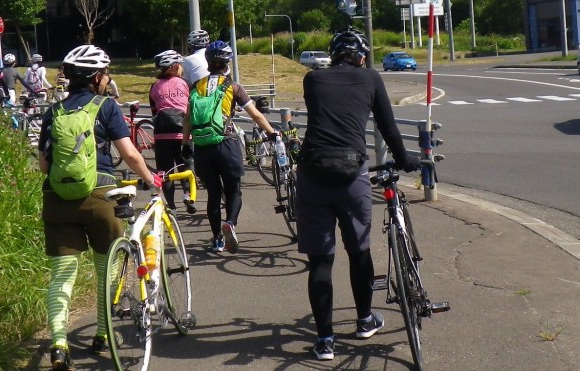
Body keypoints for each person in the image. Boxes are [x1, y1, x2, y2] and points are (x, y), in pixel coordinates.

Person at [296, 26, 421, 361]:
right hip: (352, 175)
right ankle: (365, 320)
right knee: (359, 251)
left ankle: (324, 341)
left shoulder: (313, 80)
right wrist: (406, 159)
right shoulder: (370, 78)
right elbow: (387, 126)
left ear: (333, 55)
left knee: (321, 261)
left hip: (313, 173)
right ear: (362, 56)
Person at [37, 44, 159, 370]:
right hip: (100, 195)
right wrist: (150, 178)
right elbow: (130, 154)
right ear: (96, 77)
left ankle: (60, 344)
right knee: (106, 268)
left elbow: (44, 166)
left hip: (56, 198)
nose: (107, 78)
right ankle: (103, 335)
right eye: (105, 73)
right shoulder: (106, 106)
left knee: (62, 276)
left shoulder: (54, 112)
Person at [181, 40, 277, 253]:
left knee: (214, 194)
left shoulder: (196, 86)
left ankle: (216, 239)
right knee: (234, 190)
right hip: (226, 143)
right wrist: (271, 133)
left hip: (203, 147)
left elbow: (187, 119)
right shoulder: (233, 87)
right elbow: (256, 115)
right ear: (227, 62)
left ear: (208, 62)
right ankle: (230, 223)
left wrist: (186, 143)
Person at [149, 50, 189, 209]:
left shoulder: (155, 86)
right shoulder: (185, 83)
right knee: (185, 165)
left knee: (164, 172)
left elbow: (153, 110)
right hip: (182, 133)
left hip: (161, 134)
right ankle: (188, 195)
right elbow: (190, 108)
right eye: (180, 65)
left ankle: (171, 205)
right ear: (174, 67)